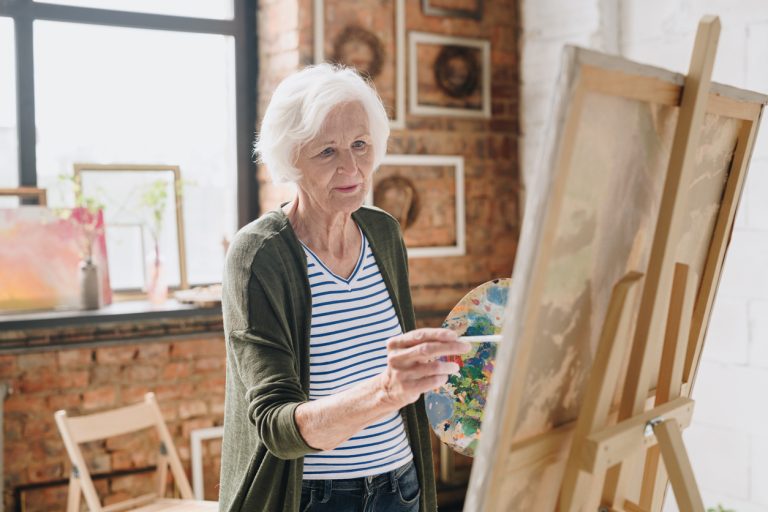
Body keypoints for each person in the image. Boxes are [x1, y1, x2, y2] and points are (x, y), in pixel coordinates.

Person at [218, 64, 471, 512]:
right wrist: (387, 391)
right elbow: (277, 428)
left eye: (359, 145)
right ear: (290, 158)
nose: (351, 167)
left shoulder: (383, 234)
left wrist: (425, 367)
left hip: (401, 485)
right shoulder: (259, 254)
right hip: (317, 497)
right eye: (326, 152)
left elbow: (385, 362)